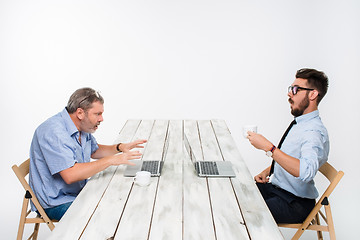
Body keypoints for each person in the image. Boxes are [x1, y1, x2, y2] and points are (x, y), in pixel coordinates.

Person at [29, 87, 147, 220]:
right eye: (97, 114)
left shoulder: (81, 126)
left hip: (78, 191)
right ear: (80, 113)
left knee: (121, 201)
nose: (101, 119)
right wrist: (111, 160)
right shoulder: (54, 132)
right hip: (57, 201)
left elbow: (94, 150)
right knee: (107, 216)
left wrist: (120, 147)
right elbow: (70, 175)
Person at [246, 68, 329, 223]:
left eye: (295, 89)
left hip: (294, 203)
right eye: (291, 89)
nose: (289, 93)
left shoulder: (313, 131)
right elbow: (293, 156)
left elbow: (305, 171)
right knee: (237, 193)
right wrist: (268, 170)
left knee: (244, 214)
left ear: (313, 94)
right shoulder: (302, 122)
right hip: (278, 190)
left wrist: (269, 148)